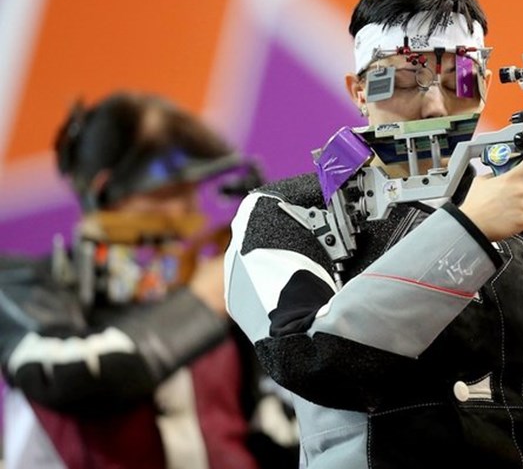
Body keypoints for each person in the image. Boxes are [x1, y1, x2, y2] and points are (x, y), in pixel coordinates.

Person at [224, 0, 523, 468]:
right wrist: (467, 233)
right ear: (359, 90)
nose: (435, 104)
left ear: (486, 85)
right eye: (401, 79)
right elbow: (312, 360)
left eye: (460, 79)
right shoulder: (286, 211)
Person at [0, 92, 299, 469]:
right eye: (170, 192)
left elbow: (277, 430)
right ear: (107, 190)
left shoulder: (203, 285)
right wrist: (204, 300)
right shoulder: (27, 285)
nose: (189, 209)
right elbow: (75, 376)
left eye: (192, 191)